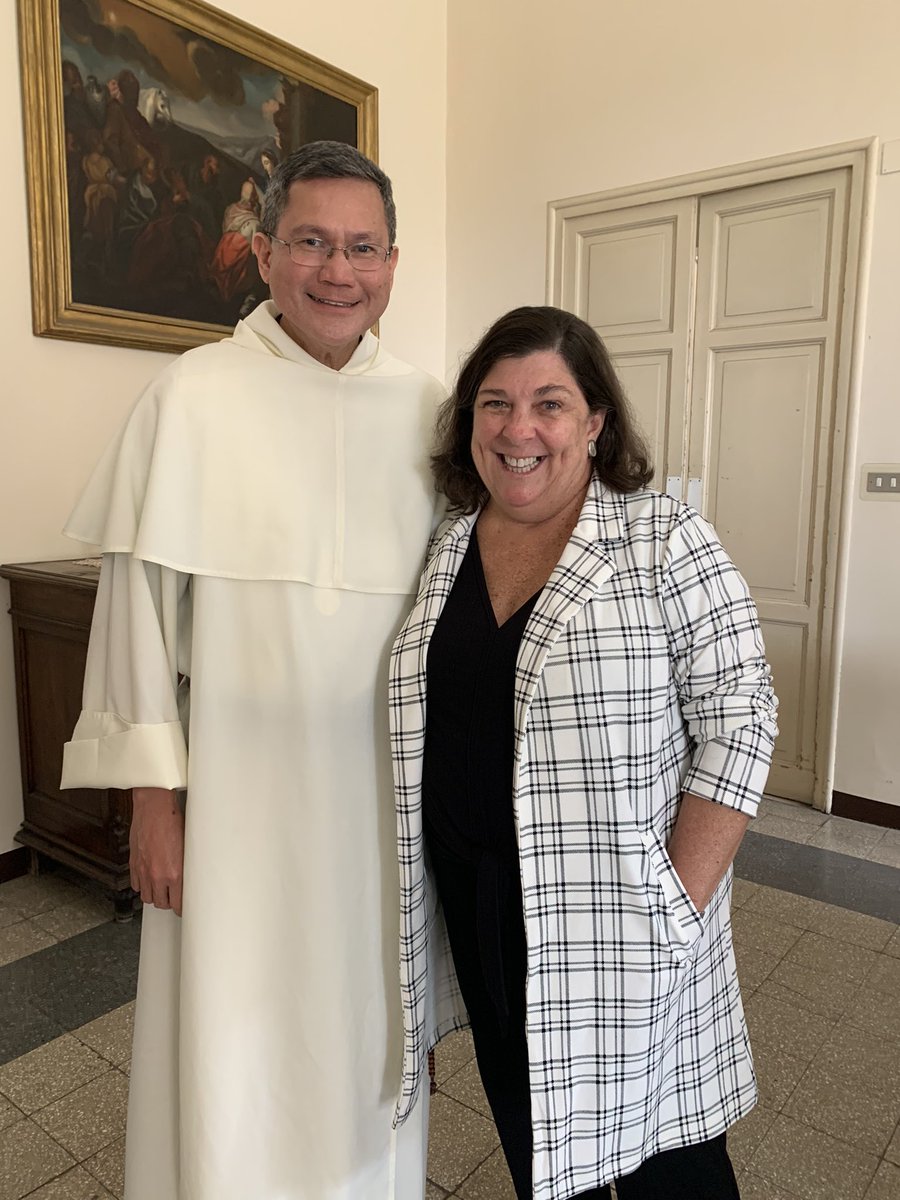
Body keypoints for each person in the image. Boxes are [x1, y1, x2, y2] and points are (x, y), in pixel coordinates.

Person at [61, 140, 443, 1200]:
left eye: (361, 247)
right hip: (233, 800)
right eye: (310, 242)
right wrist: (153, 801)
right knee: (229, 1035)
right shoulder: (191, 396)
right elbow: (137, 617)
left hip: (378, 811)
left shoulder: (433, 411)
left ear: (393, 264)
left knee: (365, 1034)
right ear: (264, 254)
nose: (337, 271)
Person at [389, 306, 778, 1199]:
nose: (519, 429)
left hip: (621, 912)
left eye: (550, 405)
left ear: (596, 421)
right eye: (495, 404)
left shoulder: (664, 539)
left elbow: (742, 716)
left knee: (667, 1159)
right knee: (536, 1140)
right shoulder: (449, 545)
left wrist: (680, 894)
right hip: (481, 905)